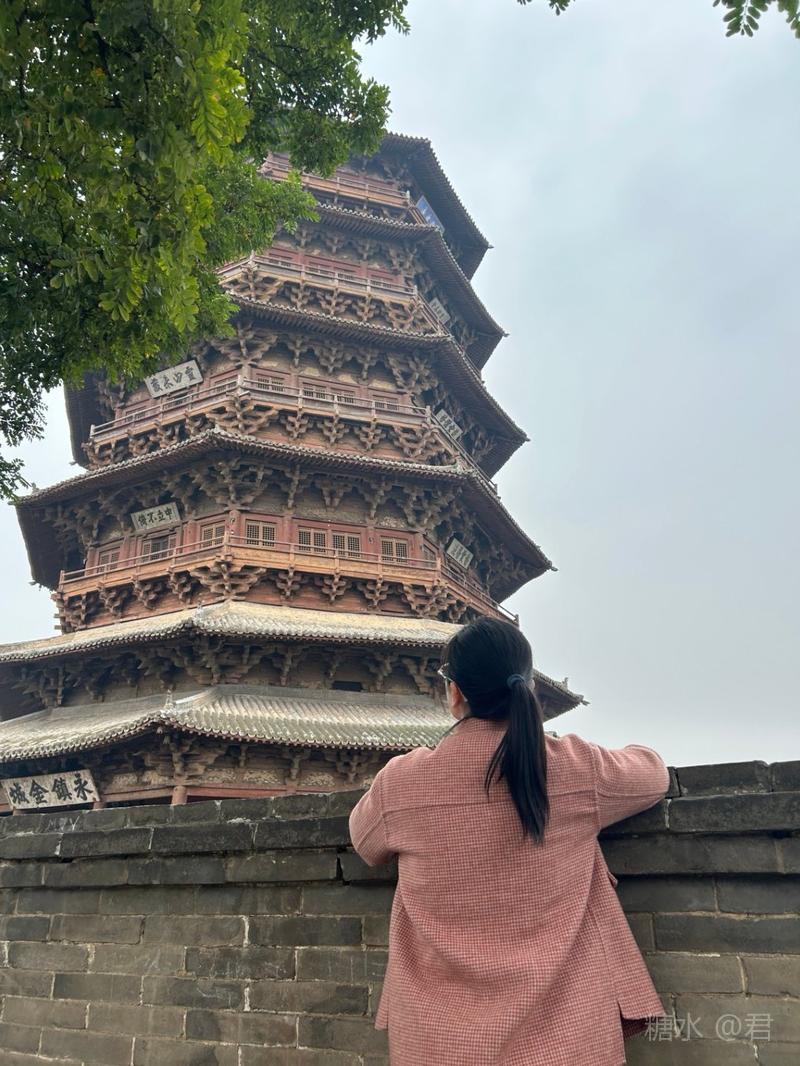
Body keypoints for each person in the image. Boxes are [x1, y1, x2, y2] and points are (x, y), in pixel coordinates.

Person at [348, 615, 671, 1066]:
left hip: (438, 1042)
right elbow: (652, 773)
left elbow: (364, 842)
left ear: (455, 692)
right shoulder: (573, 766)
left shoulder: (401, 782)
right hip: (564, 1039)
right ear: (528, 686)